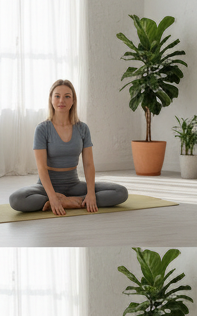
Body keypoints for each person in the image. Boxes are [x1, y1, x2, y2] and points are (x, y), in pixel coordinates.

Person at [8, 80, 128, 215]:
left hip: (74, 186)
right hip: (46, 187)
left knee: (120, 192)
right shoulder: (42, 129)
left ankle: (72, 201)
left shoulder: (82, 128)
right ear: (51, 99)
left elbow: (88, 164)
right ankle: (66, 201)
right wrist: (52, 197)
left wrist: (90, 194)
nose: (61, 101)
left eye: (67, 96)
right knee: (16, 199)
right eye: (57, 96)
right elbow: (41, 168)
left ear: (73, 100)